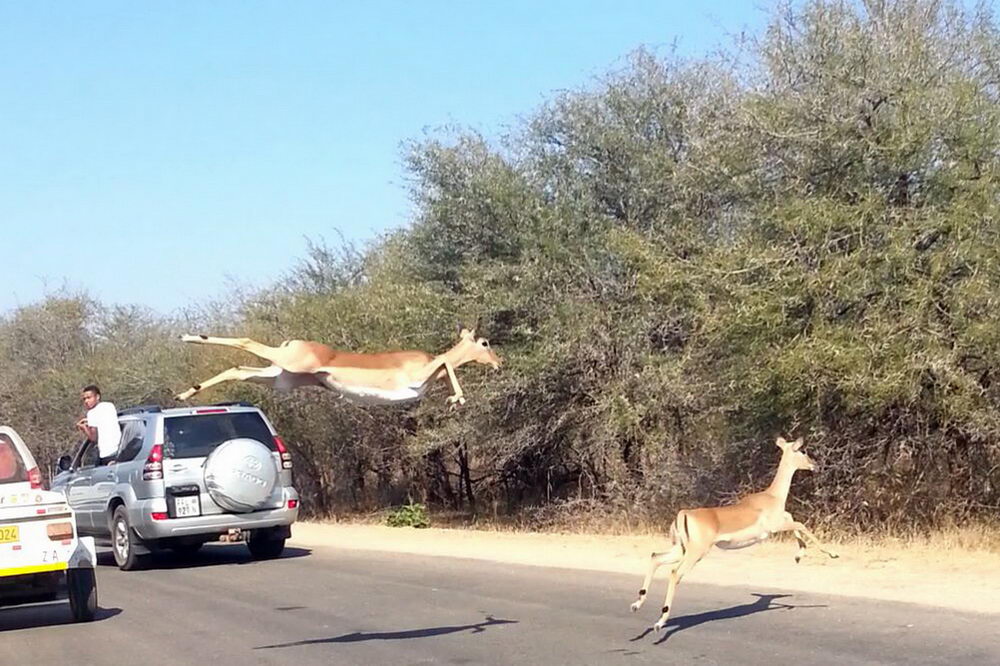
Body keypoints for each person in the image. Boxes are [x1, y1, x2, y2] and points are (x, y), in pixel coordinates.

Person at [76, 384, 121, 465]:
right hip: (119, 450)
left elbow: (94, 438)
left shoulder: (92, 413)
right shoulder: (109, 406)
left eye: (89, 398)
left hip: (106, 453)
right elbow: (104, 420)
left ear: (97, 397)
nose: (86, 401)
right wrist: (89, 421)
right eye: (84, 399)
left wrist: (84, 428)